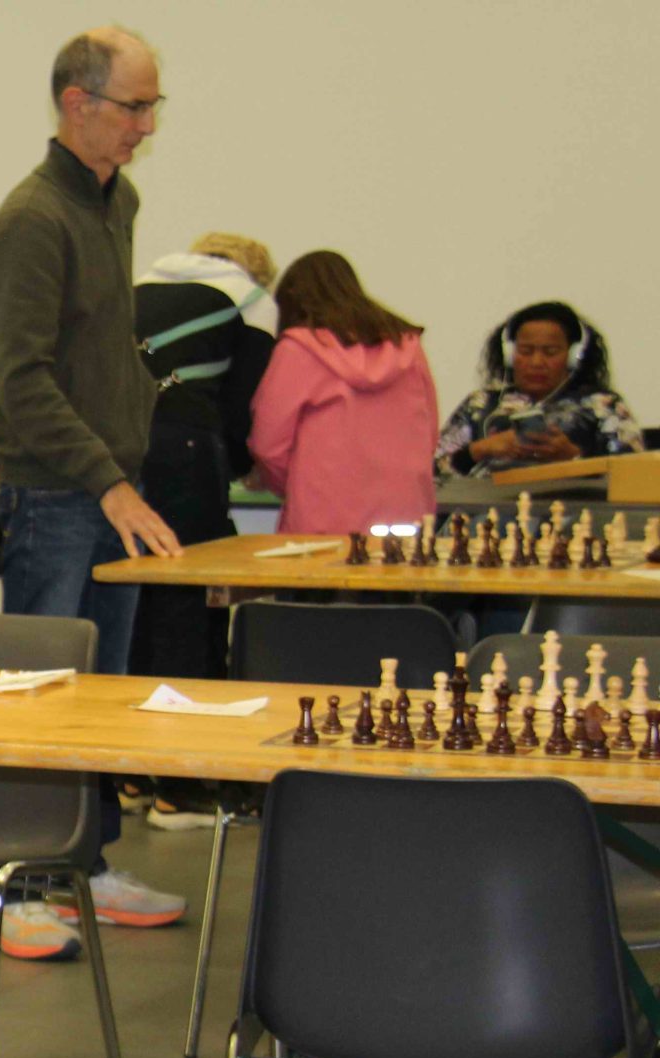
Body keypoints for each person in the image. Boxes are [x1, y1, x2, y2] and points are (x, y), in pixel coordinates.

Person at [0, 25, 185, 957]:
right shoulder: (33, 221)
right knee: (39, 696)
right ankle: (9, 887)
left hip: (109, 486)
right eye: (134, 106)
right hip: (58, 498)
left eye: (152, 105)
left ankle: (85, 866)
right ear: (77, 103)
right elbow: (22, 381)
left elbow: (99, 347)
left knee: (98, 695)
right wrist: (107, 480)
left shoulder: (116, 200)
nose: (147, 125)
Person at [129, 232, 278, 830]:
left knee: (134, 604)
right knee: (189, 606)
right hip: (186, 448)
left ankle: (128, 773)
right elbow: (242, 406)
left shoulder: (138, 286)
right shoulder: (251, 300)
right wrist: (238, 464)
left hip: (119, 454)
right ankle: (181, 789)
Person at [246, 251, 437, 535]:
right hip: (404, 511)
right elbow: (429, 432)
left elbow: (268, 444)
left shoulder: (297, 350)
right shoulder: (407, 347)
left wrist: (292, 484)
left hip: (321, 515)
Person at [436, 300, 642, 478]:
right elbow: (430, 473)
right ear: (510, 355)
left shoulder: (602, 405)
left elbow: (635, 476)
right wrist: (478, 450)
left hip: (571, 509)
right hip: (484, 508)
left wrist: (573, 458)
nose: (536, 362)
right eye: (526, 351)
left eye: (550, 352)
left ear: (573, 356)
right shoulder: (480, 404)